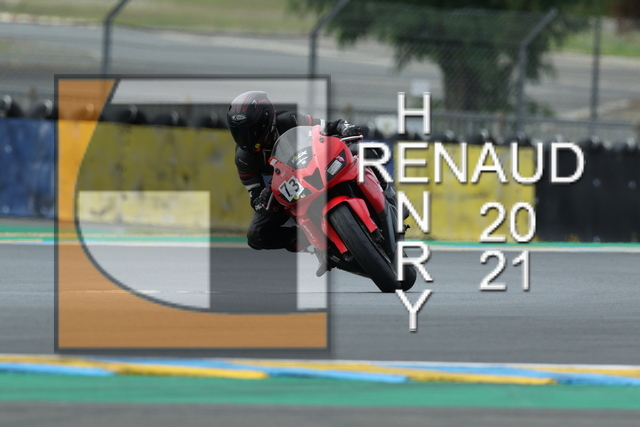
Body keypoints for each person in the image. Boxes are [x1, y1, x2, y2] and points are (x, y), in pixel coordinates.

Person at [227, 90, 363, 252]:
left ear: (266, 121)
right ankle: (309, 240)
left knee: (359, 152)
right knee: (256, 236)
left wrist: (346, 127)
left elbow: (329, 126)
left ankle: (383, 194)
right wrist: (262, 200)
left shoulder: (289, 119)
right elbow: (255, 198)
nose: (246, 139)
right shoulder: (243, 158)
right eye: (239, 133)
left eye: (251, 130)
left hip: (317, 167)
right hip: (287, 190)